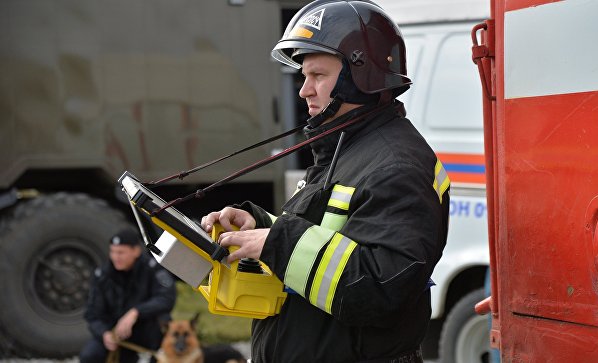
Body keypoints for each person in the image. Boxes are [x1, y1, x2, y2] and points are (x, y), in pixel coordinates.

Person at [201, 1, 450, 362]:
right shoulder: (345, 147)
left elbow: (381, 288)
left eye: (317, 75)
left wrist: (277, 242)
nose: (304, 90)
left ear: (359, 76)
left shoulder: (395, 166)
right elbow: (327, 237)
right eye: (304, 76)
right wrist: (260, 226)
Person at [79, 227, 177, 363]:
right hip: (115, 332)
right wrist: (104, 334)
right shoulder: (102, 275)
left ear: (136, 251)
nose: (115, 257)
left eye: (121, 252)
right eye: (113, 252)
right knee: (90, 356)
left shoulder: (152, 269)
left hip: (146, 329)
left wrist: (136, 312)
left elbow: (167, 298)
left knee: (164, 325)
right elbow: (92, 315)